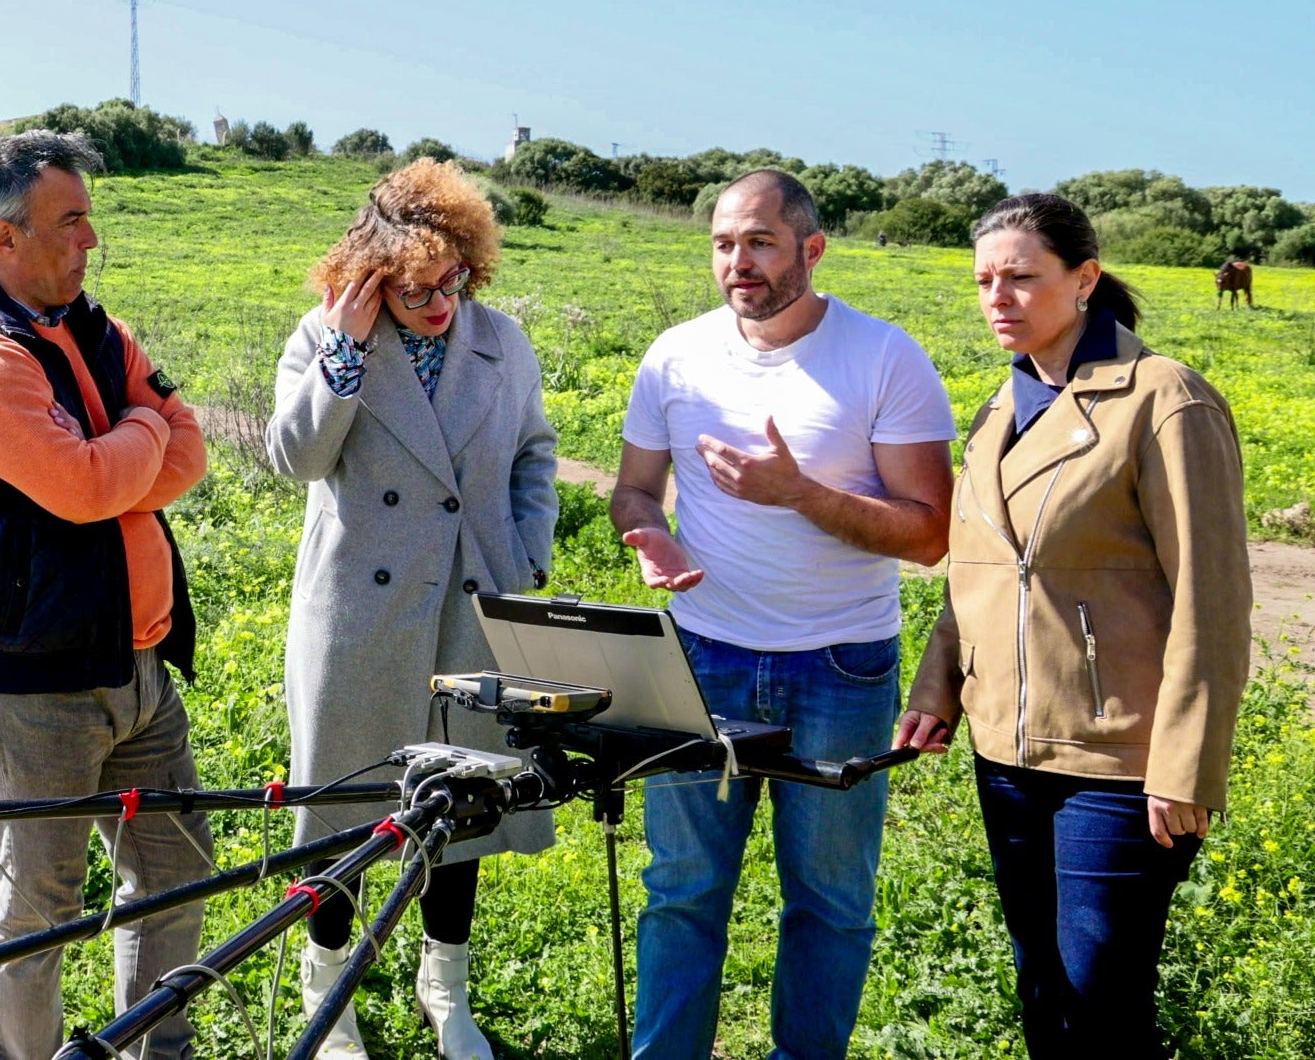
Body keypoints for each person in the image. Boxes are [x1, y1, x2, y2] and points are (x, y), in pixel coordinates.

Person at [611, 169, 956, 1060]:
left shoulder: (883, 357)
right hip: (704, 660)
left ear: (811, 249)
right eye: (725, 244)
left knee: (831, 903)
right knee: (682, 890)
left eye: (760, 242)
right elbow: (634, 491)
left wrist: (797, 492)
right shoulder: (675, 355)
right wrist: (649, 536)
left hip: (840, 668)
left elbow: (928, 536)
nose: (739, 263)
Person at [895, 194, 1249, 1060]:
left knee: (1101, 1000)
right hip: (1007, 755)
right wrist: (937, 688)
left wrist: (1185, 764)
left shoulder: (1164, 401)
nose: (997, 297)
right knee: (1043, 987)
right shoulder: (996, 412)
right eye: (984, 280)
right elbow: (975, 570)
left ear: (1085, 278)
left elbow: (1215, 596)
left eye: (1021, 276)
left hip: (1122, 763)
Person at [0, 130, 212, 1060]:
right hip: (30, 688)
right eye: (71, 221)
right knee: (41, 909)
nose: (91, 241)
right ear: (4, 237)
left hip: (136, 670)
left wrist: (129, 450)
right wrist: (138, 427)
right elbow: (87, 489)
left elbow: (188, 453)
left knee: (177, 874)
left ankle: (149, 1049)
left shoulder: (94, 325)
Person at [267, 159, 559, 1060]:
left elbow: (535, 454)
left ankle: (447, 991)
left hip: (470, 608)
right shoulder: (324, 335)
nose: (439, 304)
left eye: (452, 280)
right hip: (360, 616)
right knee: (344, 811)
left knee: (461, 807)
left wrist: (523, 553)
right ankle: (332, 996)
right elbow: (295, 459)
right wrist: (345, 357)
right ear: (369, 275)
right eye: (414, 288)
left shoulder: (501, 342)